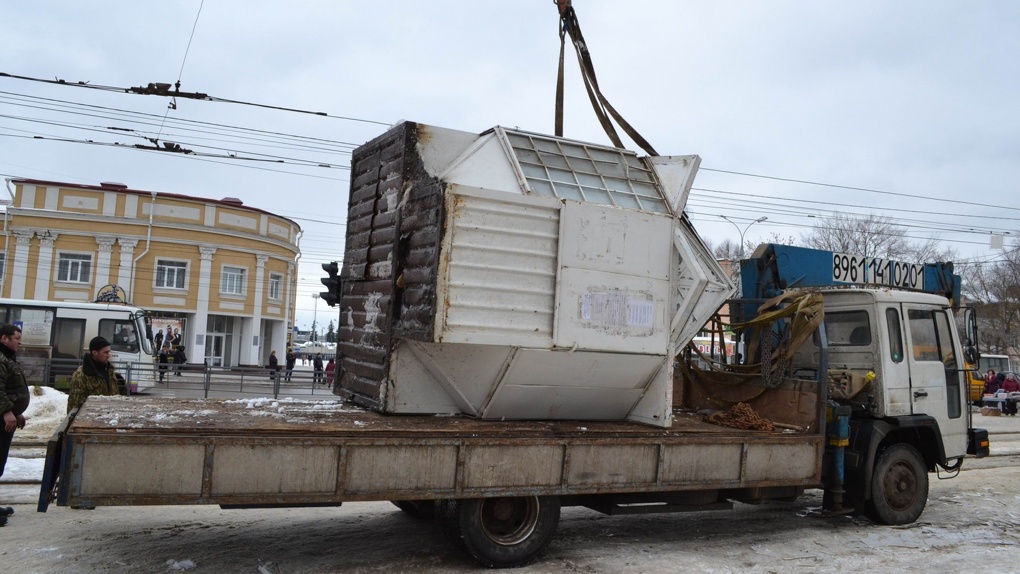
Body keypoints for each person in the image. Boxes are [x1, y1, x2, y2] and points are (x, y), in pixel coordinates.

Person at [0, 324, 28, 527]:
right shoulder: (1, 359)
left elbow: (10, 389)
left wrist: (16, 412)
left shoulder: (7, 358)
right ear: (4, 339)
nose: (19, 341)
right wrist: (7, 412)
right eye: (16, 338)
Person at [67, 336, 123, 414]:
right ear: (95, 353)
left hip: (110, 418)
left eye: (109, 352)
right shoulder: (81, 376)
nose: (108, 355)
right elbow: (74, 407)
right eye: (105, 352)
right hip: (90, 421)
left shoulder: (109, 371)